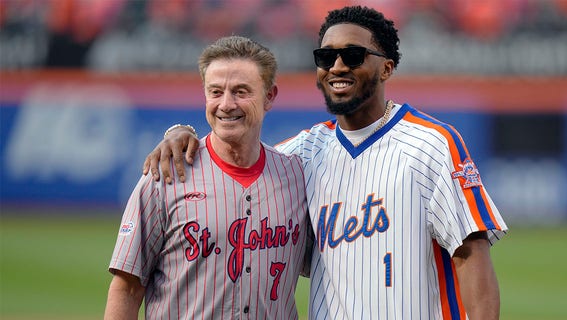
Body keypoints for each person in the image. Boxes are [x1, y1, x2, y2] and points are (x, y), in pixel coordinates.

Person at [145, 6, 508, 320]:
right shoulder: (300, 154)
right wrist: (181, 131)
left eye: (352, 55)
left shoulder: (432, 144)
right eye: (325, 57)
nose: (336, 66)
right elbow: (236, 157)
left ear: (386, 68)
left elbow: (470, 256)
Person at [104, 36, 310, 319]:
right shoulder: (166, 174)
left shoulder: (297, 176)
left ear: (269, 96)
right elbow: (127, 288)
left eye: (241, 91)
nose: (226, 104)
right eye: (215, 92)